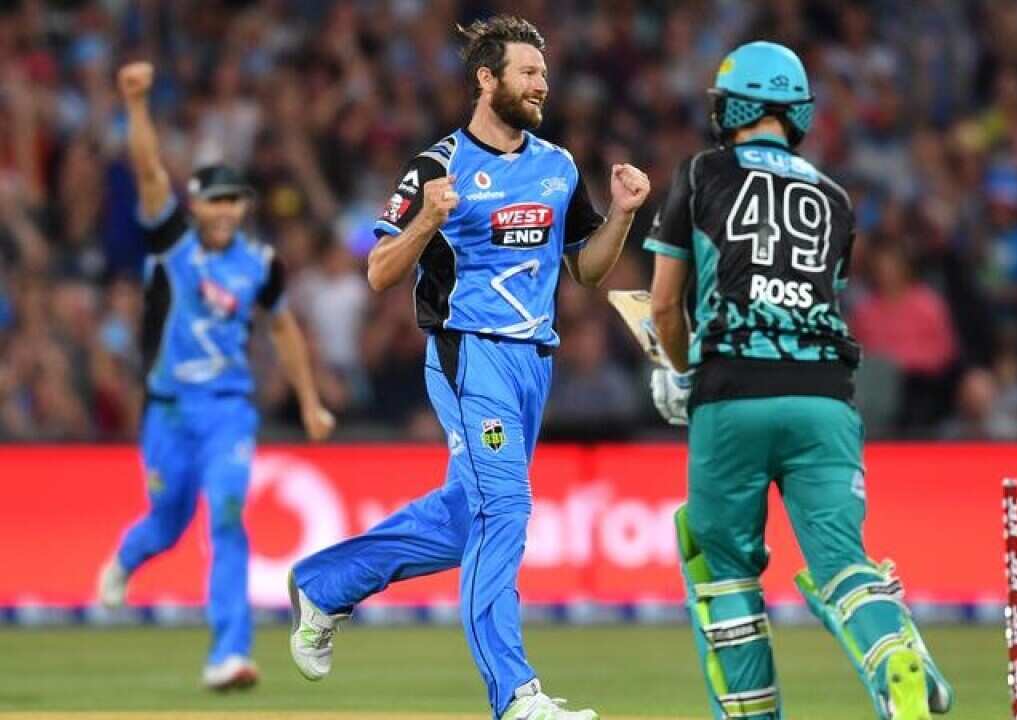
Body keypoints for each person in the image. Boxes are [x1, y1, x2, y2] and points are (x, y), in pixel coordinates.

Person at [286, 16, 649, 720]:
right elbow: (378, 270)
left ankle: (326, 585)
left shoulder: (558, 166)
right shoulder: (436, 166)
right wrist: (427, 220)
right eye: (528, 72)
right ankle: (515, 695)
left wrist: (624, 215)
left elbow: (584, 269)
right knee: (505, 509)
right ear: (487, 79)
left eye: (544, 73)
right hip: (469, 354)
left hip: (534, 364)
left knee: (466, 519)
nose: (541, 84)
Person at [645, 42, 953, 720]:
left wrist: (679, 370)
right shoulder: (836, 197)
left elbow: (665, 305)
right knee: (844, 562)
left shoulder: (702, 173)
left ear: (731, 109)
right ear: (798, 114)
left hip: (732, 391)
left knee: (723, 571)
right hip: (825, 398)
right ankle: (894, 659)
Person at [97, 62, 335, 691]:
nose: (226, 210)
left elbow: (284, 329)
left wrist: (310, 401)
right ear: (196, 204)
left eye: (234, 200)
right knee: (168, 524)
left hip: (228, 409)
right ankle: (126, 558)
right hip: (169, 410)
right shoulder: (172, 245)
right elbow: (150, 172)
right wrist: (137, 104)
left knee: (227, 516)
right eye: (215, 200)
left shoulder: (259, 263)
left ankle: (229, 652)